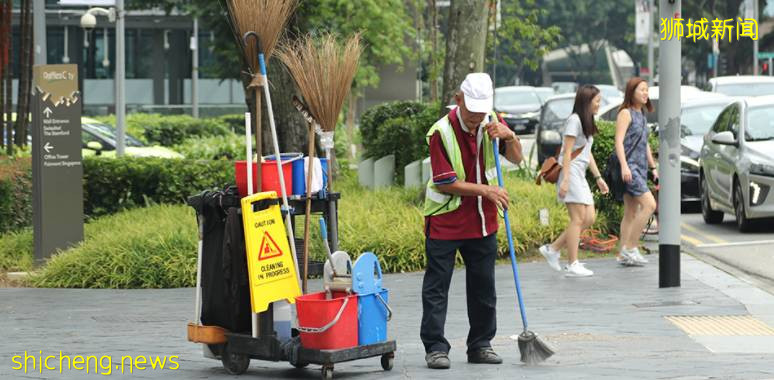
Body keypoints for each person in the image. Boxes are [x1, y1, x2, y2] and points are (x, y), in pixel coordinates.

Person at [421, 72, 523, 369]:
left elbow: (516, 158)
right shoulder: (441, 132)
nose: (477, 118)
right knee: (437, 288)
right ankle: (436, 347)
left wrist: (510, 136)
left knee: (484, 288)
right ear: (458, 100)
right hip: (445, 221)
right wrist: (486, 190)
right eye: (471, 111)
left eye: (482, 111)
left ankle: (480, 344)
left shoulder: (492, 120)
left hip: (482, 222)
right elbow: (444, 182)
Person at [539, 85, 609, 277]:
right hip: (571, 173)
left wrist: (598, 177)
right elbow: (567, 153)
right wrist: (566, 180)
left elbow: (588, 153)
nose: (599, 104)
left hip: (580, 173)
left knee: (589, 218)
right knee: (578, 219)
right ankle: (572, 263)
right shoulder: (574, 120)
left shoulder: (587, 121)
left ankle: (552, 249)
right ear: (587, 102)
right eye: (597, 101)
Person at [614, 77, 657, 266]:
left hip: (640, 168)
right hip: (630, 169)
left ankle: (623, 253)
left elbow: (644, 143)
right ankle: (631, 247)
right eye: (642, 90)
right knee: (650, 205)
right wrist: (624, 166)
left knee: (631, 211)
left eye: (647, 90)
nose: (645, 93)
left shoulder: (641, 114)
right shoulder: (626, 113)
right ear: (631, 92)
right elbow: (618, 142)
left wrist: (653, 167)